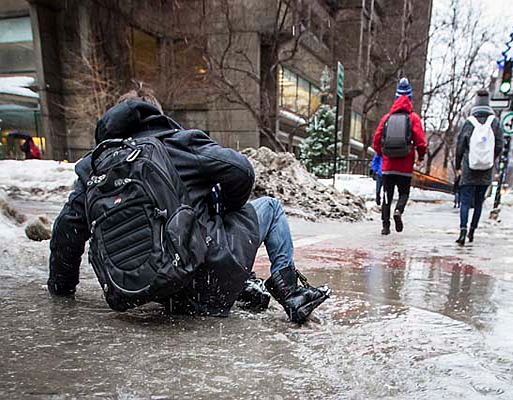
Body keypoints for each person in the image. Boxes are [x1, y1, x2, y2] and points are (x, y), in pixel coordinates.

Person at [47, 87, 330, 324]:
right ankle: (291, 292)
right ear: (154, 114)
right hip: (208, 280)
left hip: (148, 289)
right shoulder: (177, 143)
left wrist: (62, 287)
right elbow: (241, 170)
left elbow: (66, 230)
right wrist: (227, 209)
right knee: (271, 207)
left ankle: (244, 286)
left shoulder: (93, 168)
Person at [372, 78, 427, 235]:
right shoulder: (413, 118)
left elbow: (376, 140)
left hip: (388, 165)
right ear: (409, 99)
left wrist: (382, 154)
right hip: (405, 165)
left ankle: (385, 226)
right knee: (404, 193)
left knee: (387, 195)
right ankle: (398, 211)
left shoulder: (387, 118)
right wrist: (420, 157)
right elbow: (421, 142)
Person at [454, 89, 503, 246]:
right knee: (479, 202)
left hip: (469, 167)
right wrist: (491, 158)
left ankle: (462, 229)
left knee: (465, 201)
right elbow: (500, 145)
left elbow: (460, 145)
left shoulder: (470, 122)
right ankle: (472, 231)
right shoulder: (494, 123)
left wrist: (458, 164)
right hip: (486, 169)